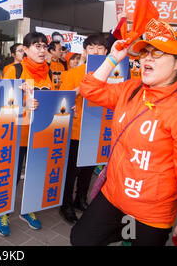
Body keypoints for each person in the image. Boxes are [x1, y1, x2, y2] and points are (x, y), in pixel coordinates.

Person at [71, 19, 177, 246]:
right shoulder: (131, 89)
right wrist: (114, 57)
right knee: (81, 239)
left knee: (130, 238)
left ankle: (127, 236)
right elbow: (90, 89)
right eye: (146, 53)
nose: (148, 58)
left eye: (159, 53)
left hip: (151, 214)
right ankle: (125, 235)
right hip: (113, 196)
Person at [0, 31, 54, 237]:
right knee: (10, 175)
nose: (41, 50)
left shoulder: (48, 72)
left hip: (40, 134)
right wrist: (23, 103)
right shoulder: (14, 70)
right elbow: (3, 101)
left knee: (34, 173)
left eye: (44, 46)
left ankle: (28, 208)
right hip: (16, 134)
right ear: (26, 49)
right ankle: (3, 212)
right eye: (36, 46)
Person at [59, 34, 108, 224]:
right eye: (92, 48)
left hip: (96, 131)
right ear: (85, 52)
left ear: (106, 52)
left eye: (100, 48)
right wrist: (82, 88)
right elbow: (63, 100)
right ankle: (66, 205)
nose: (96, 52)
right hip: (76, 131)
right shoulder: (72, 73)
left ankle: (80, 199)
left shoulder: (113, 74)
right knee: (71, 171)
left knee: (88, 170)